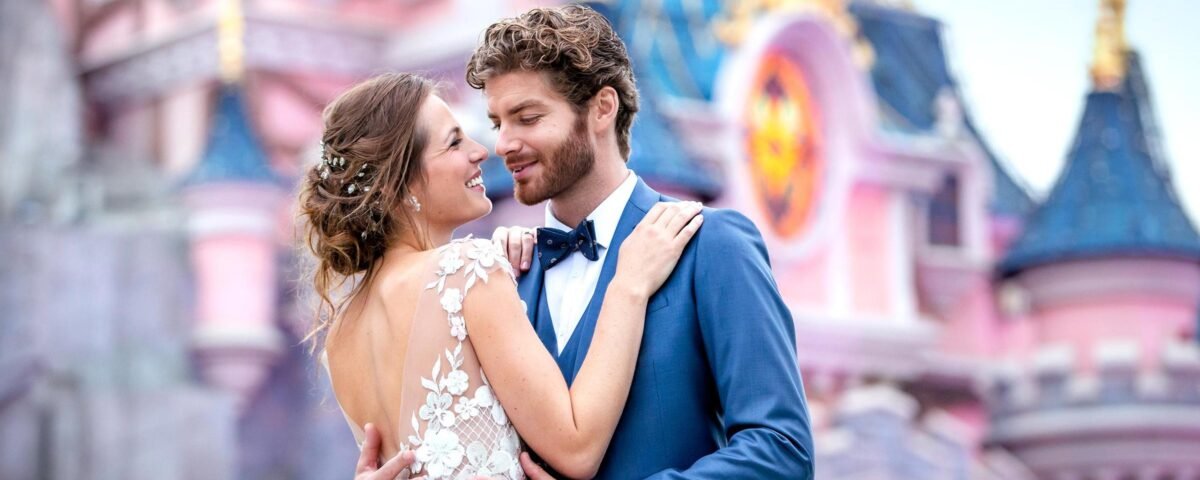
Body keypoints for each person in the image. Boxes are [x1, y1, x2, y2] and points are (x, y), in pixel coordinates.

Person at [357, 5, 814, 479]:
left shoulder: (711, 245)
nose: (503, 145)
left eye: (527, 117)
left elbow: (782, 451)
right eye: (497, 123)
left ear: (602, 108)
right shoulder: (500, 276)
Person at [300, 72, 704, 480]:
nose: (482, 151)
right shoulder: (464, 270)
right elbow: (577, 448)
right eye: (454, 142)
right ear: (397, 183)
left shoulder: (341, 335)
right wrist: (628, 285)